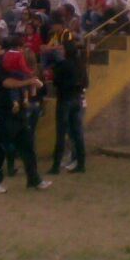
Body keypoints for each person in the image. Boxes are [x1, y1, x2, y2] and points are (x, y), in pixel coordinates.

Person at [0, 40, 52, 193]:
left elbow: (28, 85)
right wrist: (29, 81)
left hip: (19, 114)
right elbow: (8, 83)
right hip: (3, 113)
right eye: (20, 48)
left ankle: (34, 179)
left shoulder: (20, 65)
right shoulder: (2, 65)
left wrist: (32, 84)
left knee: (28, 147)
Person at [49, 40, 88, 174]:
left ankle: (56, 166)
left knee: (61, 133)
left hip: (65, 99)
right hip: (77, 99)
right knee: (77, 133)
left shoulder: (63, 64)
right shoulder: (80, 64)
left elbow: (56, 82)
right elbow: (86, 82)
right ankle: (81, 163)